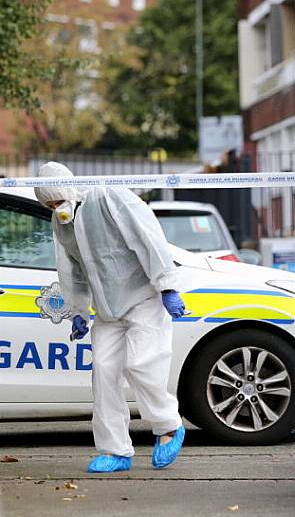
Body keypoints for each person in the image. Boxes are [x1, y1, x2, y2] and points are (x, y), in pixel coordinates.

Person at [34, 161, 188, 473]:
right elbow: (70, 267)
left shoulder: (107, 197)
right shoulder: (60, 222)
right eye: (48, 204)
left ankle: (168, 427)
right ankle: (115, 450)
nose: (55, 207)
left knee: (142, 364)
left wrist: (167, 285)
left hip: (143, 297)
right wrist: (78, 309)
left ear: (68, 190)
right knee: (103, 372)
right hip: (107, 310)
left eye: (56, 200)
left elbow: (148, 237)